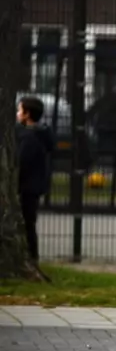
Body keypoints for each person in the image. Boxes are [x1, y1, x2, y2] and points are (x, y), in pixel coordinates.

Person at [16, 96, 55, 263]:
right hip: (35, 185)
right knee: (29, 222)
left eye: (19, 110)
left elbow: (21, 163)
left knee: (27, 222)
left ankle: (31, 256)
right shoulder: (42, 135)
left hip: (27, 186)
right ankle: (31, 255)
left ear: (27, 114)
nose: (17, 114)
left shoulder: (28, 138)